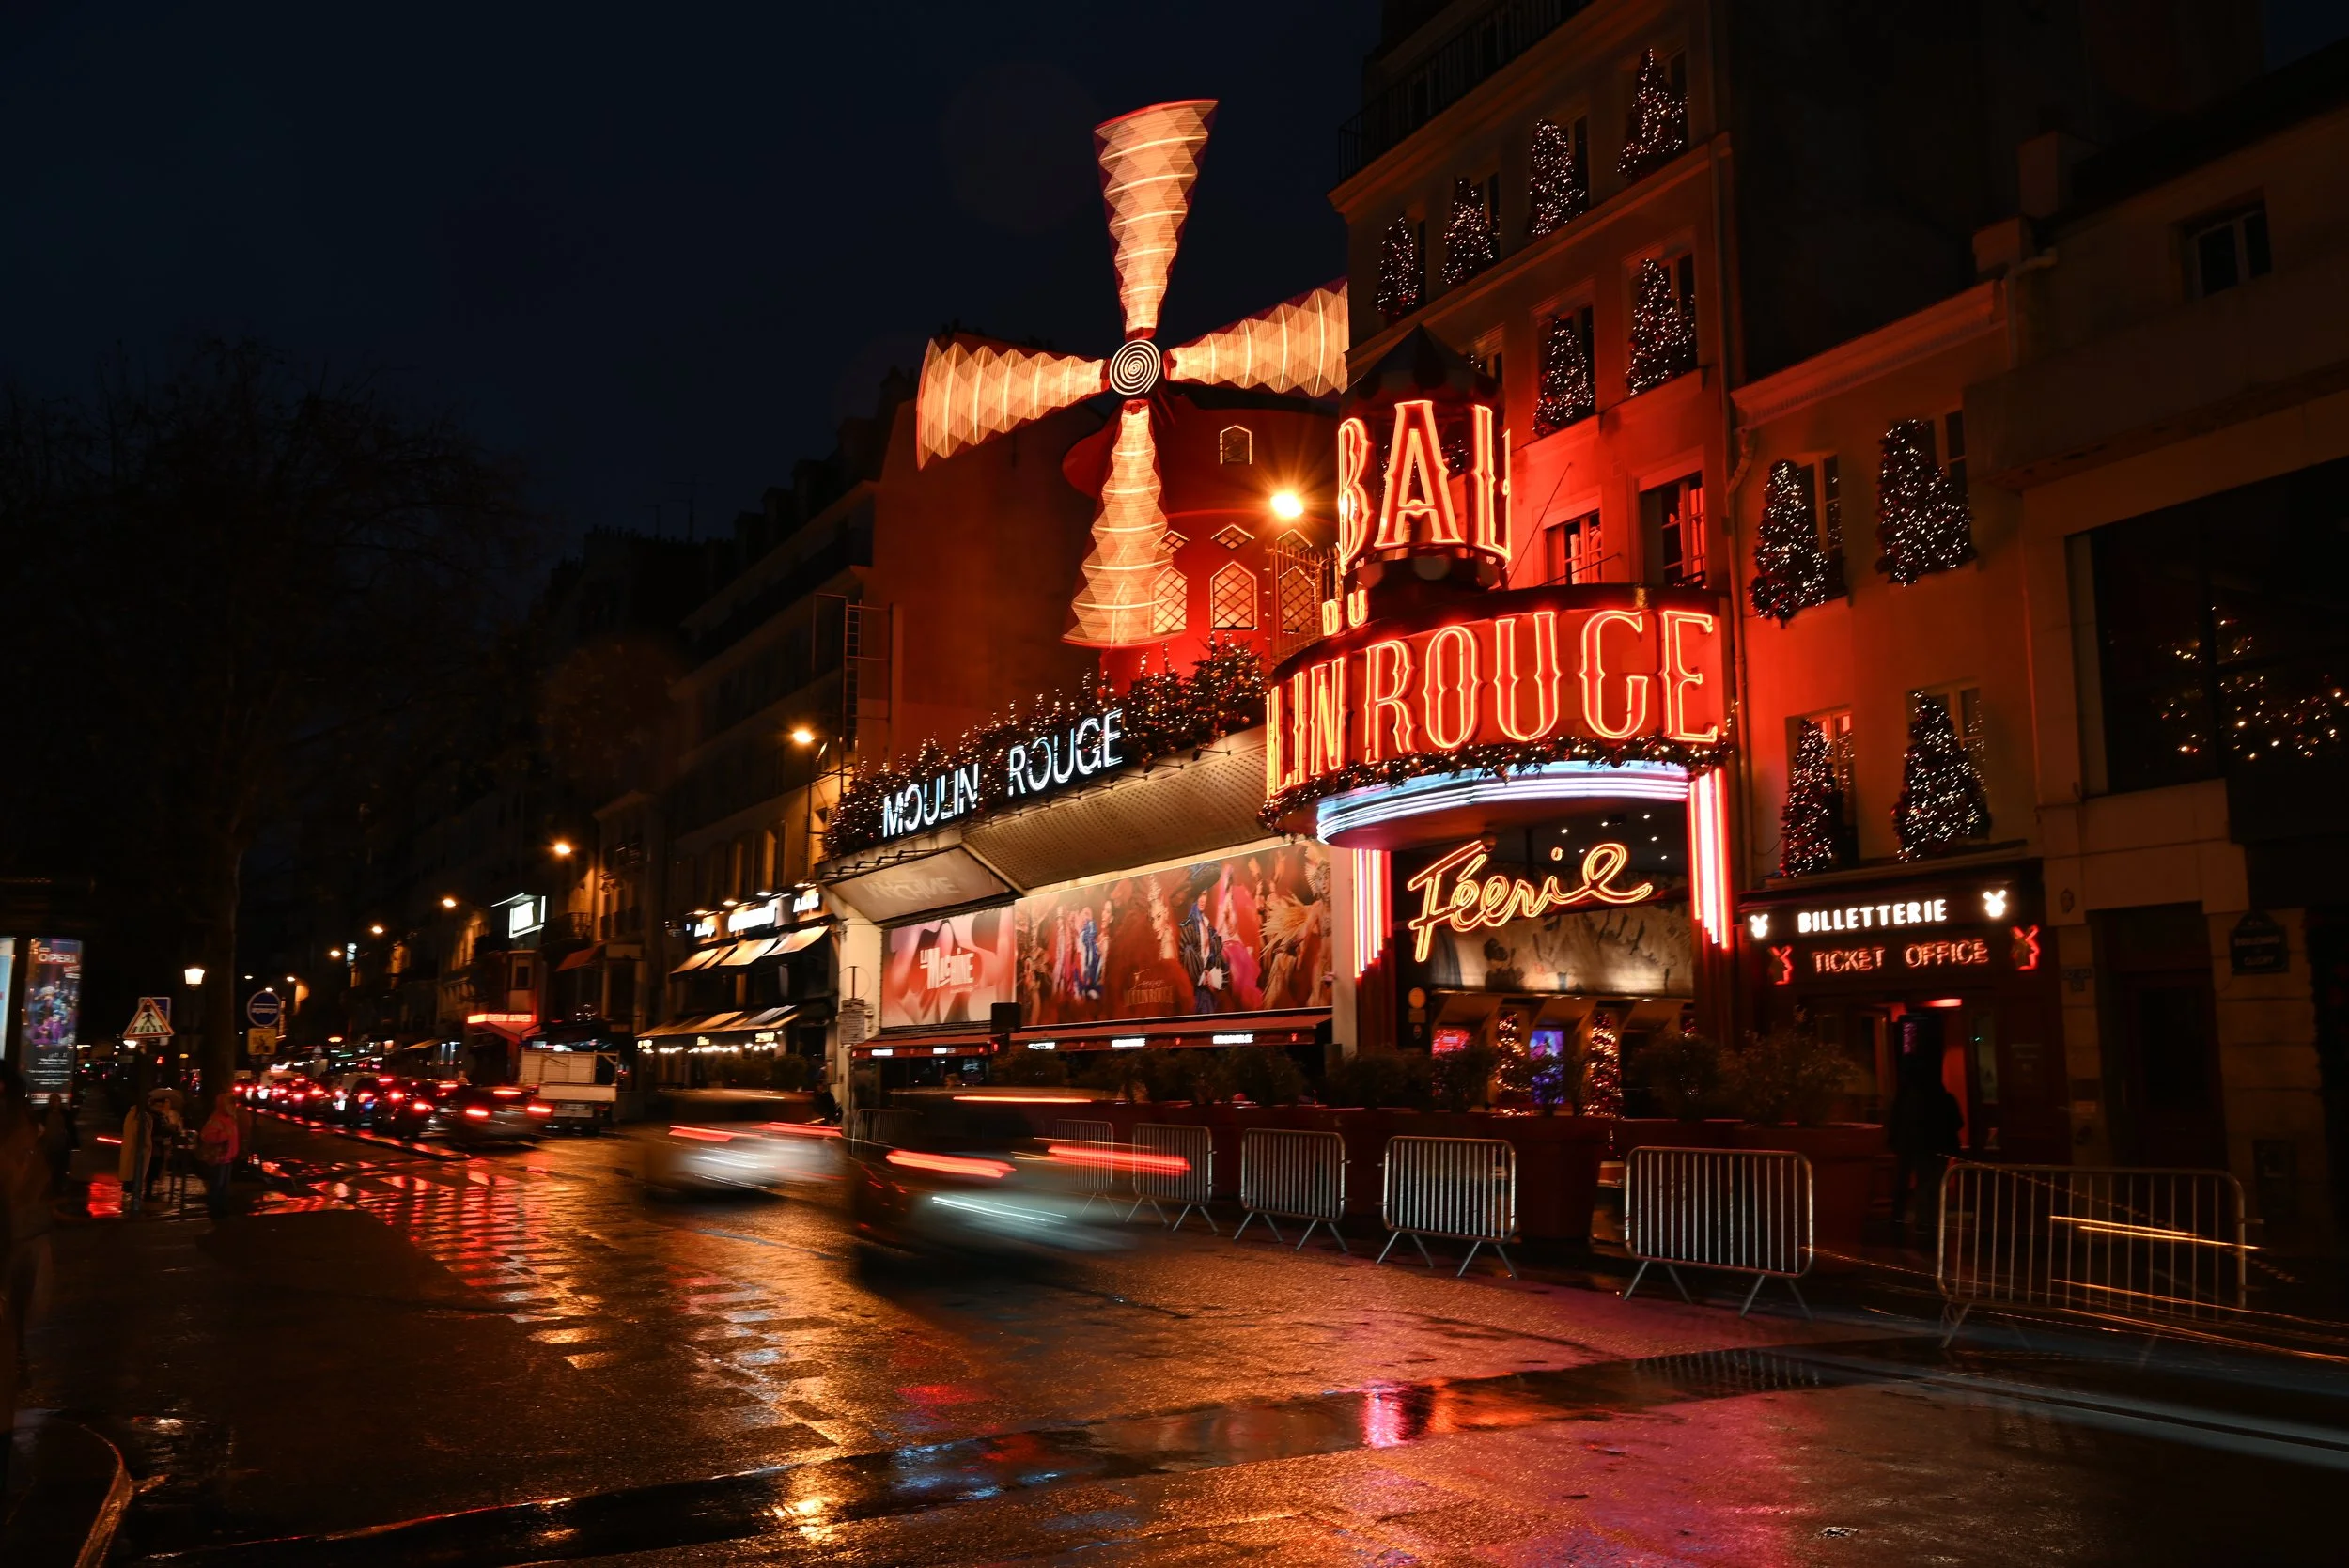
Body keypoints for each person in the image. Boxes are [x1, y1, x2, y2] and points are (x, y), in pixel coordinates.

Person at [197, 1092, 241, 1219]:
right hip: (219, 1158)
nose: (232, 1107)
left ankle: (222, 1207)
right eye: (230, 1104)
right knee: (218, 1184)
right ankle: (215, 1209)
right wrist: (224, 1135)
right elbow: (207, 1136)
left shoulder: (230, 1119)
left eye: (233, 1104)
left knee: (224, 1185)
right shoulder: (217, 1119)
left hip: (227, 1158)